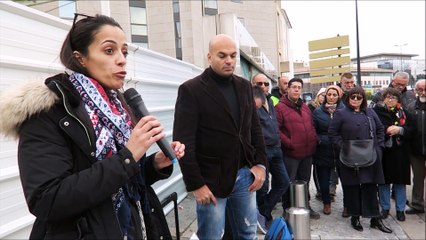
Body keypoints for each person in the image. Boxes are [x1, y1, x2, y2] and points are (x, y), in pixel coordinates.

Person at [0, 14, 185, 239]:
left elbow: (122, 183)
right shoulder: (50, 112)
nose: (121, 60)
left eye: (124, 52)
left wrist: (153, 165)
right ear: (81, 58)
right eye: (109, 51)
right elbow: (47, 199)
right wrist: (127, 157)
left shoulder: (118, 109)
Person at [173, 34, 267, 239]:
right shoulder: (191, 89)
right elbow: (183, 142)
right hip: (211, 180)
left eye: (233, 56)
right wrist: (196, 185)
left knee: (247, 233)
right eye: (222, 55)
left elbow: (254, 129)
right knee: (212, 236)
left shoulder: (244, 86)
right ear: (209, 57)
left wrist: (260, 164)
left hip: (244, 175)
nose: (229, 61)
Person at [328, 87, 392, 233]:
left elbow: (380, 130)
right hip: (350, 156)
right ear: (348, 98)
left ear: (363, 99)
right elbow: (332, 133)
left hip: (370, 156)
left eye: (359, 97)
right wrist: (343, 147)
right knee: (353, 188)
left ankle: (375, 218)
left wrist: (379, 148)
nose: (355, 100)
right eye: (353, 97)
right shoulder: (341, 113)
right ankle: (355, 216)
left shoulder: (370, 112)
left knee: (370, 187)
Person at [275, 78, 320, 219]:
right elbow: (276, 130)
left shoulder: (305, 107)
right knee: (289, 182)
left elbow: (311, 126)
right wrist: (289, 143)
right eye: (293, 87)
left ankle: (305, 206)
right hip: (291, 153)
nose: (296, 89)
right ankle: (287, 208)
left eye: (299, 87)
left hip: (307, 153)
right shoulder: (280, 108)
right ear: (287, 89)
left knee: (304, 182)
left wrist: (314, 138)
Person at [252, 74, 290, 234]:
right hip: (262, 151)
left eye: (265, 83)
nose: (263, 86)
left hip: (276, 149)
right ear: (253, 85)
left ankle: (262, 212)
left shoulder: (271, 101)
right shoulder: (252, 104)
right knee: (262, 186)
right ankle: (263, 216)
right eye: (259, 83)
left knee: (283, 181)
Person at [373, 88, 414, 221]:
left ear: (398, 100)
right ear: (383, 99)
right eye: (388, 97)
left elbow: (413, 131)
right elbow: (373, 129)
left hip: (400, 153)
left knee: (399, 182)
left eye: (393, 98)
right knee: (383, 181)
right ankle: (384, 208)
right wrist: (386, 130)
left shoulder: (405, 113)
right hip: (384, 152)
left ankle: (400, 209)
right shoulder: (376, 112)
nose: (390, 100)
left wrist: (400, 130)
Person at [312, 85, 344, 215]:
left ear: (339, 96)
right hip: (323, 151)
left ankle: (347, 206)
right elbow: (313, 130)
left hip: (341, 151)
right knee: (324, 181)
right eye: (329, 95)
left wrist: (341, 141)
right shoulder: (318, 112)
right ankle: (326, 202)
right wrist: (321, 140)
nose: (331, 97)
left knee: (345, 180)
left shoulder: (344, 110)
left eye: (334, 95)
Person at [405, 79, 426, 215]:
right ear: (416, 91)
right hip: (416, 150)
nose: (423, 92)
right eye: (420, 90)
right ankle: (417, 204)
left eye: (425, 89)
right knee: (418, 178)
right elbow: (407, 128)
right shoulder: (411, 107)